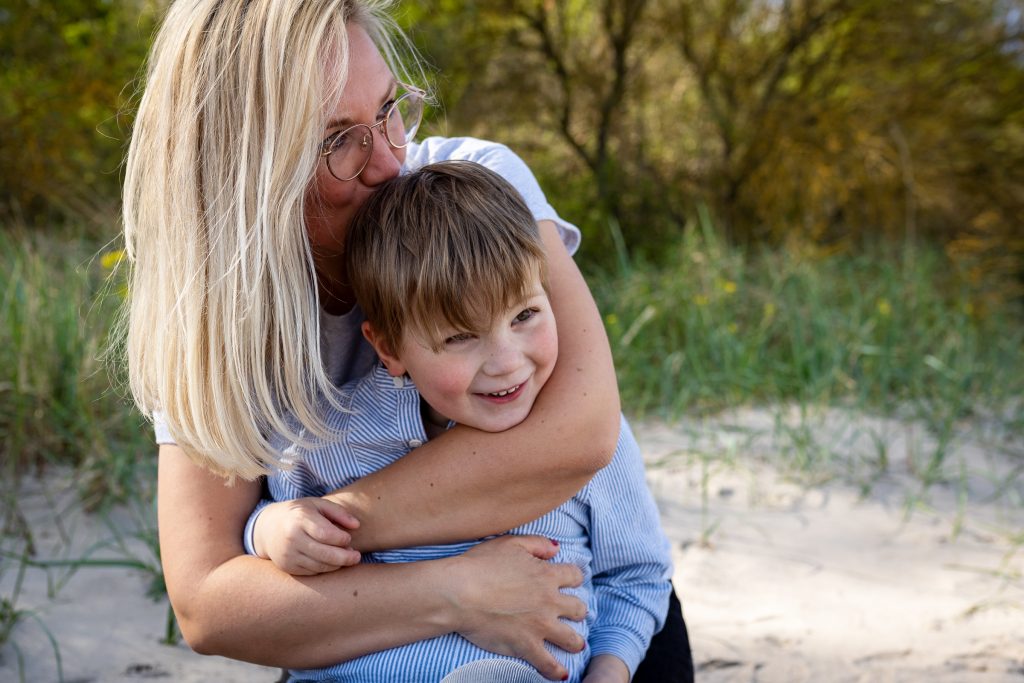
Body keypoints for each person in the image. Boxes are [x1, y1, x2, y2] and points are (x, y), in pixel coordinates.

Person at [121, 1, 693, 681]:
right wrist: (455, 590)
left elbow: (584, 432)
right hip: (375, 641)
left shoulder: (476, 194)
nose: (391, 160)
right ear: (247, 172)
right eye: (338, 139)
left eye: (390, 107)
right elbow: (211, 603)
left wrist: (323, 527)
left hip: (572, 619)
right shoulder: (217, 324)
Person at [246, 161, 673, 683]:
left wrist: (611, 671)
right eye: (459, 338)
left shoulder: (584, 437)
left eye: (524, 316)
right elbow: (271, 523)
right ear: (388, 347)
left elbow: (636, 575)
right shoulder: (334, 437)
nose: (506, 361)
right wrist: (270, 530)